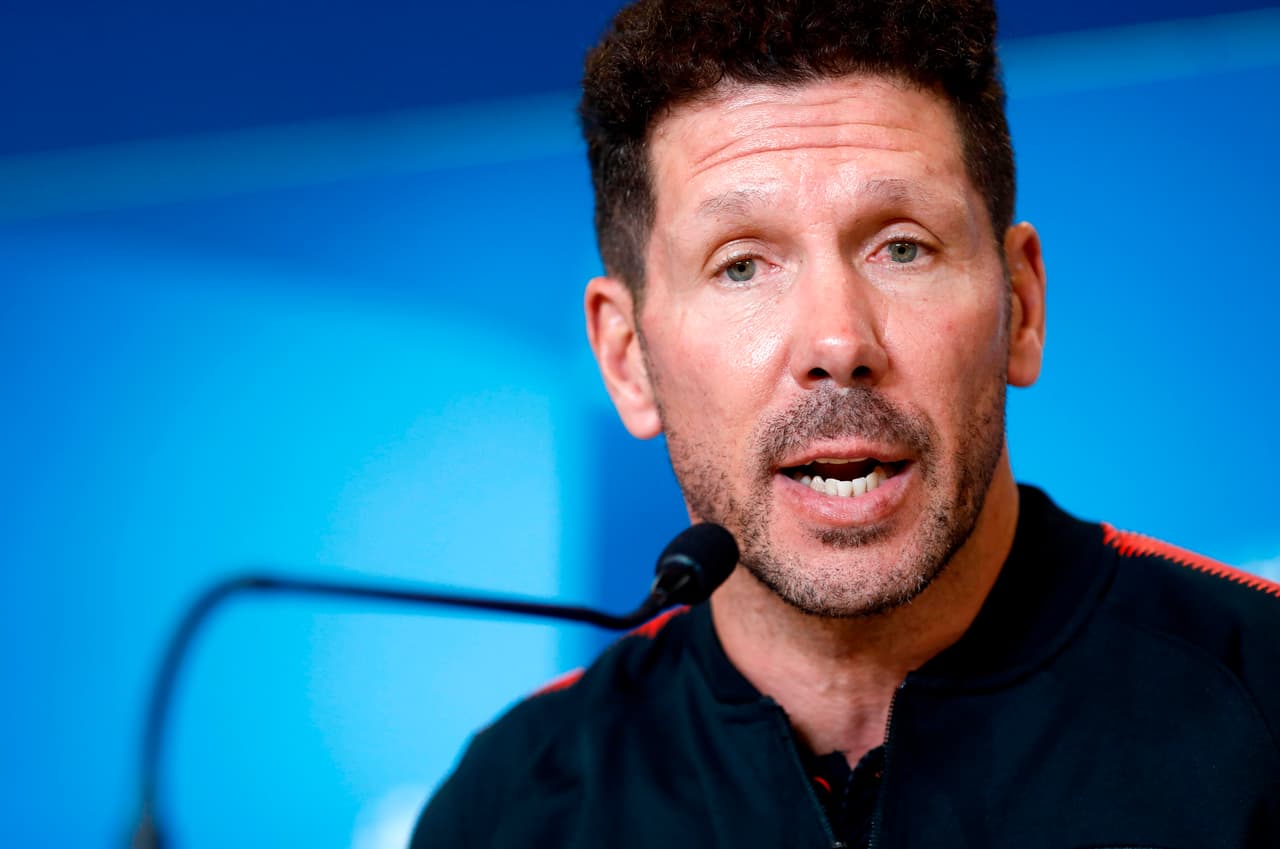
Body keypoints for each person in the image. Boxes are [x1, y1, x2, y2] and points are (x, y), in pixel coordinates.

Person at [411, 0, 1280, 846]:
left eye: (902, 245)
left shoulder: (1263, 695)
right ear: (628, 357)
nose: (837, 341)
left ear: (1020, 305)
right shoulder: (508, 804)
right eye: (742, 265)